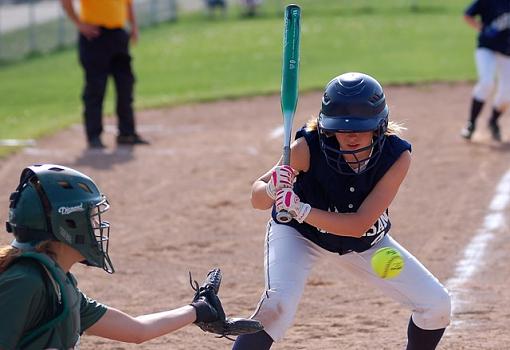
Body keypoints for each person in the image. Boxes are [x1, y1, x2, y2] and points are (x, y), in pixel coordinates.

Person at [232, 72, 451, 350]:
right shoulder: (306, 148)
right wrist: (273, 189)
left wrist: (300, 208)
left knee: (436, 306)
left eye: (362, 127)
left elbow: (358, 225)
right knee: (276, 308)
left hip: (362, 242)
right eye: (342, 129)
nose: (351, 137)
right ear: (327, 126)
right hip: (299, 235)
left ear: (380, 125)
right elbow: (258, 198)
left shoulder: (396, 156)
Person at [0, 164, 261, 349]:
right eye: (89, 218)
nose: (96, 227)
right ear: (66, 224)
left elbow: (137, 331)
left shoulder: (58, 284)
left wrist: (199, 311)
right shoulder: (26, 282)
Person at [60, 0, 150, 149]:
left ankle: (127, 133)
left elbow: (128, 4)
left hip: (118, 33)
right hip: (95, 35)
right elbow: (65, 2)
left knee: (125, 85)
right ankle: (94, 136)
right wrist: (79, 24)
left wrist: (133, 25)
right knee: (96, 88)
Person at [460, 0, 510, 142]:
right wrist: (482, 28)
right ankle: (471, 123)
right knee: (486, 82)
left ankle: (493, 121)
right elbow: (467, 15)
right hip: (486, 48)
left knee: (507, 95)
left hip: (507, 52)